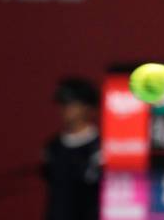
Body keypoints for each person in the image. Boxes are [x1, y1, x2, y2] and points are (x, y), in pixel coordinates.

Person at [43, 77, 101, 220]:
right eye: (62, 104)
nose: (65, 109)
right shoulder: (52, 147)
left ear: (87, 107)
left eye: (71, 104)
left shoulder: (101, 146)